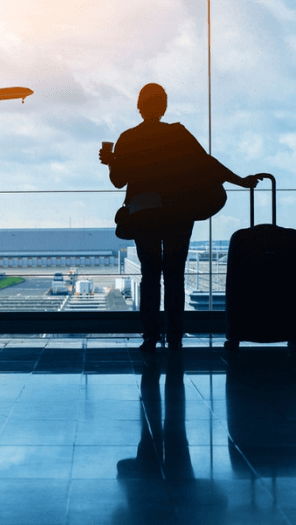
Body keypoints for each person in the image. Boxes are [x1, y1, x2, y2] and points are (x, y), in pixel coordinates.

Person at [99, 83, 260, 352]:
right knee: (175, 275)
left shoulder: (128, 138)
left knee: (150, 275)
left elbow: (118, 181)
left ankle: (150, 336)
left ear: (139, 106)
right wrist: (239, 181)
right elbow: (207, 163)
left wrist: (112, 160)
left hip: (144, 213)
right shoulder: (178, 134)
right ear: (164, 107)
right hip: (177, 212)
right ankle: (175, 336)